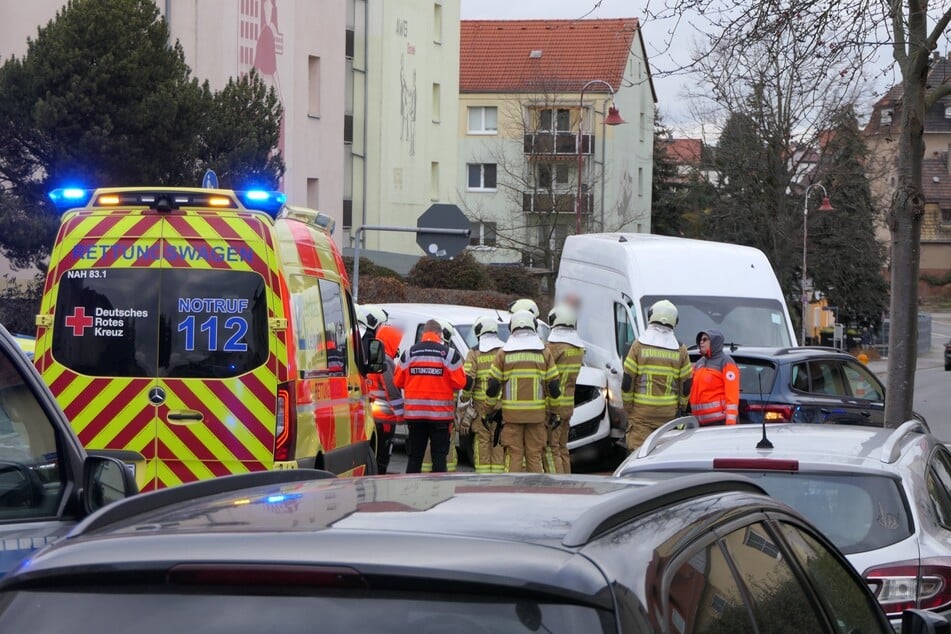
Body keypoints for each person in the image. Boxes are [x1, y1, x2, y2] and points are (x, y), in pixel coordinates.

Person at [486, 310, 560, 473]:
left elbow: (492, 388)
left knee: (514, 455)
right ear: (533, 327)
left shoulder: (503, 353)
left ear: (512, 328)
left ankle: (513, 493)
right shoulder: (544, 353)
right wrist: (554, 412)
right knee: (534, 455)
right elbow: (554, 388)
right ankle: (535, 493)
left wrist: (489, 410)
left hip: (512, 416)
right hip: (537, 416)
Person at [394, 319, 467, 473]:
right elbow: (460, 382)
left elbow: (397, 381)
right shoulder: (449, 355)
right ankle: (438, 492)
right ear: (439, 334)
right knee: (439, 458)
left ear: (424, 333)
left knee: (415, 457)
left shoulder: (409, 354)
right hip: (440, 417)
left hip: (415, 415)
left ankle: (411, 492)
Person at [621, 299, 693, 452]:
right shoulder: (680, 349)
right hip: (668, 415)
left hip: (641, 414)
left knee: (637, 455)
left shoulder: (638, 345)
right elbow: (686, 384)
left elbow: (627, 381)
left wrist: (628, 408)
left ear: (651, 316)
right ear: (675, 321)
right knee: (662, 455)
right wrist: (681, 407)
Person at [458, 315, 506, 474]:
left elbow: (468, 380)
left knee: (482, 440)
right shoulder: (505, 350)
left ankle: (484, 477)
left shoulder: (474, 352)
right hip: (501, 405)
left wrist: (464, 399)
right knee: (498, 439)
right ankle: (499, 477)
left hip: (481, 406)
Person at [544, 303, 585, 474]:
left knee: (551, 448)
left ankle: (557, 485)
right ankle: (567, 481)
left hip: (553, 405)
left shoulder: (555, 347)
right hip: (568, 405)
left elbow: (543, 369)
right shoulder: (577, 348)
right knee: (562, 448)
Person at [421, 319, 461, 472]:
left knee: (424, 447)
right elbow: (460, 383)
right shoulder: (450, 356)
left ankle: (424, 473)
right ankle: (444, 474)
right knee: (444, 448)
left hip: (420, 411)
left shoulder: (419, 353)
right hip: (443, 413)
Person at [368, 323, 404, 474]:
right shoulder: (386, 361)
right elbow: (392, 390)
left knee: (374, 457)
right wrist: (401, 414)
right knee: (382, 458)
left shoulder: (371, 356)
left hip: (372, 416)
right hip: (385, 419)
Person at [689, 329, 740, 426]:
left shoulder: (726, 362)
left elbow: (732, 395)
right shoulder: (699, 363)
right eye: (700, 340)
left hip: (719, 422)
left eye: (705, 340)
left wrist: (730, 423)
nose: (701, 342)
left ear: (714, 342)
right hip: (699, 423)